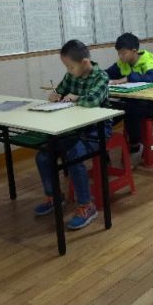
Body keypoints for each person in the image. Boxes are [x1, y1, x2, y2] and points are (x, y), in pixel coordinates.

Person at [34, 39, 111, 230]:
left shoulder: (101, 76)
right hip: (73, 127)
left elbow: (92, 101)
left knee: (74, 153)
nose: (68, 70)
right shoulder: (71, 76)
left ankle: (86, 205)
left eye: (70, 66)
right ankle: (54, 196)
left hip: (96, 129)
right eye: (66, 67)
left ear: (84, 62)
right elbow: (60, 91)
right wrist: (55, 96)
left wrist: (76, 98)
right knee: (43, 155)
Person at [106, 33, 153, 164]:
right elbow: (107, 73)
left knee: (130, 111)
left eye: (123, 53)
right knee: (108, 110)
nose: (120, 56)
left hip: (148, 103)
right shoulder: (122, 63)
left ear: (134, 51)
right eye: (119, 53)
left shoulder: (146, 60)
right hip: (130, 101)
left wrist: (128, 78)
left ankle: (135, 146)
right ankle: (103, 142)